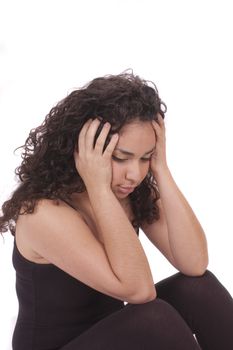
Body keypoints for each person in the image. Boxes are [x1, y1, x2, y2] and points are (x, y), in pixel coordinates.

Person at [0, 71, 233, 350]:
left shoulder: (129, 191)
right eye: (121, 158)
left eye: (145, 157)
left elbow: (194, 263)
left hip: (112, 334)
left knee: (198, 289)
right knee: (155, 317)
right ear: (85, 150)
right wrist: (97, 187)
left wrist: (161, 169)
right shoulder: (43, 212)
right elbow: (139, 291)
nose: (134, 174)